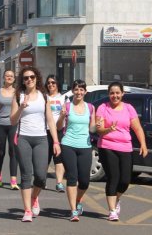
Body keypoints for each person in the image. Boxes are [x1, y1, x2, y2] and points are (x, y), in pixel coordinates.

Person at [10, 66, 61, 222]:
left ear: (36, 78)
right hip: (23, 138)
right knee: (26, 176)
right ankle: (27, 211)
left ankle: (34, 197)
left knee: (40, 176)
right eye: (26, 78)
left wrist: (56, 141)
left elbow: (50, 120)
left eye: (32, 77)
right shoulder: (18, 96)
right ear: (23, 81)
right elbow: (12, 120)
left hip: (41, 139)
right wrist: (21, 107)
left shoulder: (43, 96)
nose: (29, 80)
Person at [95, 81, 148, 221]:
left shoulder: (129, 108)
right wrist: (108, 129)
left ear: (122, 94)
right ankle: (112, 210)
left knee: (125, 180)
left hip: (125, 147)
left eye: (117, 93)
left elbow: (137, 128)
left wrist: (143, 144)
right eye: (112, 93)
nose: (115, 95)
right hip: (107, 146)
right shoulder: (102, 108)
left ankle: (116, 199)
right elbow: (99, 131)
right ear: (108, 94)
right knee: (113, 177)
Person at [56, 80, 96, 222]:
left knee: (84, 181)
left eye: (81, 90)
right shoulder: (67, 106)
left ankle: (78, 200)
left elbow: (92, 129)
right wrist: (61, 116)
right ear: (73, 91)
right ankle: (73, 210)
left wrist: (98, 125)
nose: (79, 92)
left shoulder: (91, 107)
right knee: (72, 177)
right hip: (68, 145)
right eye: (76, 89)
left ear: (85, 92)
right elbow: (59, 127)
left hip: (85, 146)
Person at [44, 74, 66, 192]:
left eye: (53, 82)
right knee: (45, 158)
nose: (51, 85)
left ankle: (59, 183)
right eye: (48, 83)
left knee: (59, 158)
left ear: (58, 84)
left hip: (59, 131)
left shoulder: (63, 98)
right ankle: (42, 180)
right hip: (45, 131)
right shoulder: (44, 97)